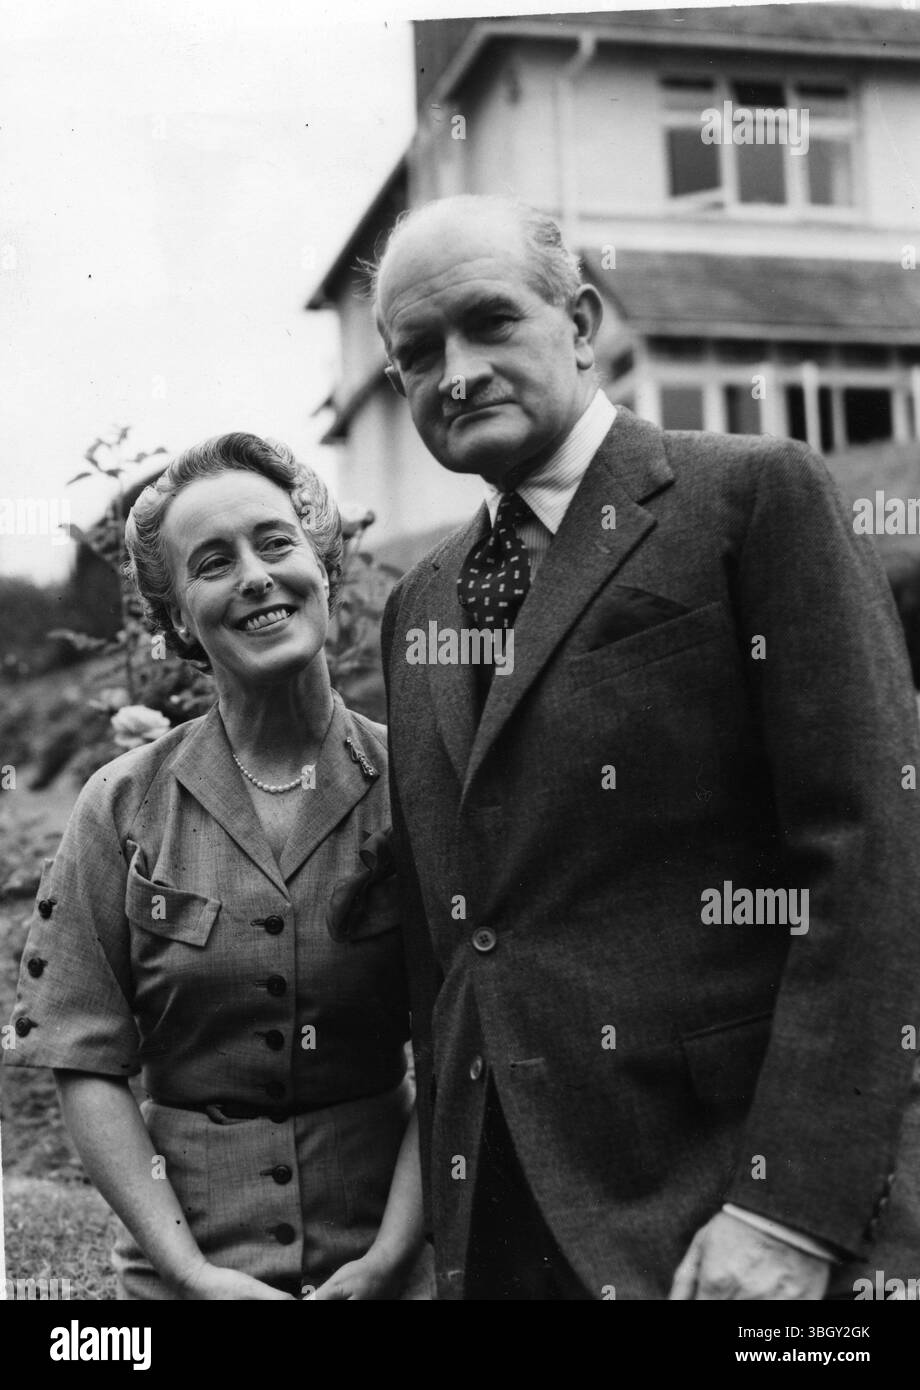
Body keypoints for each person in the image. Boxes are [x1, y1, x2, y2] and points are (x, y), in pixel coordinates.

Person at [373, 193, 920, 1300]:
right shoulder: (418, 602)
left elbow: (873, 858)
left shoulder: (748, 497)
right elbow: (455, 943)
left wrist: (788, 1209)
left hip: (724, 1213)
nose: (458, 372)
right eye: (418, 353)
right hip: (504, 1230)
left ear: (579, 322)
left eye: (489, 323)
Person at [6, 432, 428, 1300]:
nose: (256, 576)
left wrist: (388, 1258)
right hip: (184, 1272)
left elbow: (469, 1037)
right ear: (175, 622)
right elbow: (84, 1058)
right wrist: (193, 1274)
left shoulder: (420, 784)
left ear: (323, 565)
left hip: (394, 1265)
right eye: (212, 562)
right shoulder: (122, 806)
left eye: (276, 542)